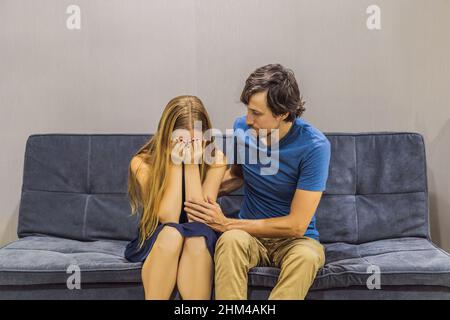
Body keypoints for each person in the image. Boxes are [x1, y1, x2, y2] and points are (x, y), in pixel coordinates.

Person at [184, 64, 331, 300]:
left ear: (282, 113)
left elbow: (296, 225)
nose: (248, 119)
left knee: (308, 257)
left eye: (257, 113)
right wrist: (199, 192)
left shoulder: (314, 147)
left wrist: (226, 223)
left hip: (295, 241)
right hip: (248, 236)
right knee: (230, 242)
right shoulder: (242, 128)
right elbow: (238, 176)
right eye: (248, 110)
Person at [124, 95, 227, 300]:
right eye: (182, 140)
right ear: (167, 136)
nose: (189, 147)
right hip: (158, 234)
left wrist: (191, 165)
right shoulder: (142, 162)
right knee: (172, 234)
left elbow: (197, 220)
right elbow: (168, 217)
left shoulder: (216, 159)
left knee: (196, 237)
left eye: (195, 140)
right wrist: (175, 162)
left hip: (198, 232)